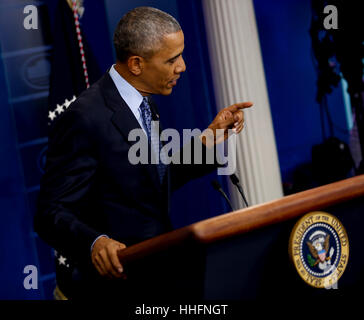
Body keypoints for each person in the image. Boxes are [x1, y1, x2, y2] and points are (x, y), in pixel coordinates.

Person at [35, 6, 252, 299]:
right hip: (114, 288)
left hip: (158, 275)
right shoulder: (85, 117)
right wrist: (95, 242)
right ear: (137, 64)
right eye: (172, 59)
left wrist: (208, 139)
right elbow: (49, 212)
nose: (183, 66)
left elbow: (151, 181)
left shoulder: (146, 103)